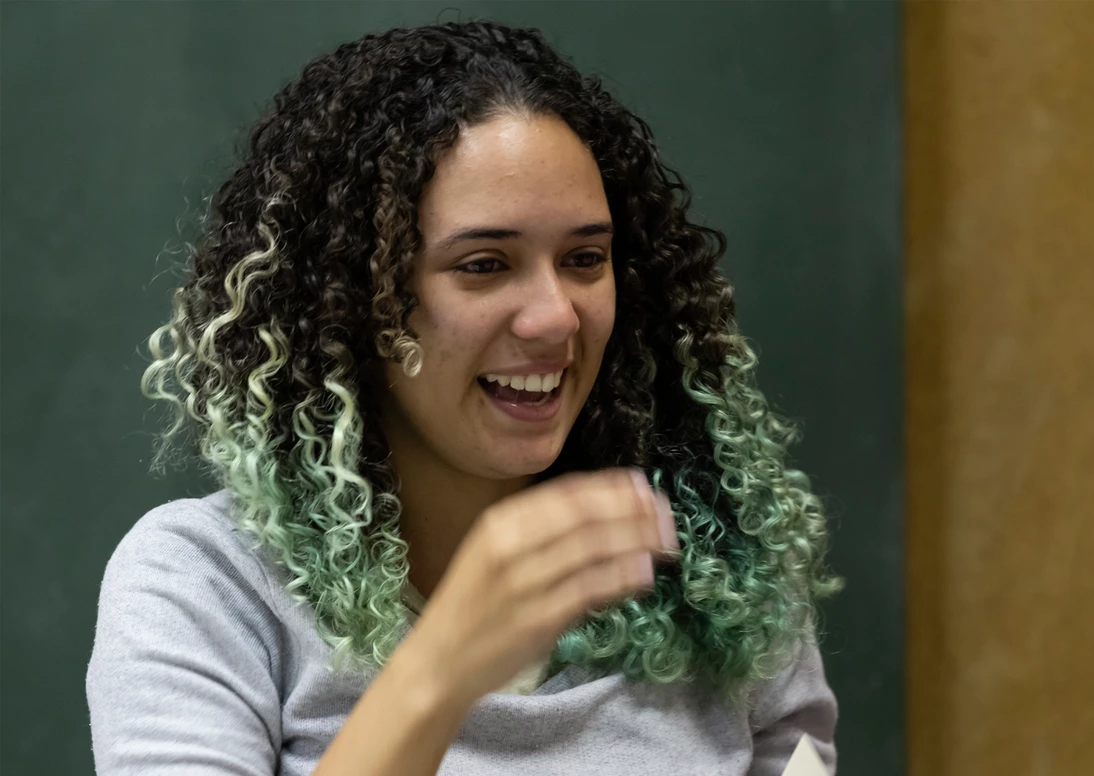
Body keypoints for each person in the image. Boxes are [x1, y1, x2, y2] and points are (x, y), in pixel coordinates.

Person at [86, 20, 841, 776]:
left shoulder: (720, 568)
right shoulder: (206, 583)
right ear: (355, 303)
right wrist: (442, 668)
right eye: (483, 265)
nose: (554, 316)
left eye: (585, 259)